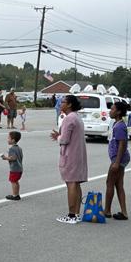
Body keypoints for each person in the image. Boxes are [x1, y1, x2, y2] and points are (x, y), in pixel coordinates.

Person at [51, 95, 88, 224]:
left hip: (70, 155)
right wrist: (60, 135)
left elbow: (65, 140)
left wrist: (59, 137)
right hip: (77, 154)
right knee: (76, 183)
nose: (61, 104)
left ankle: (71, 215)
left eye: (63, 102)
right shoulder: (76, 117)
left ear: (70, 105)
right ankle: (76, 213)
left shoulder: (69, 118)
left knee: (71, 183)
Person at [104, 100, 130, 220]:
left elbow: (122, 145)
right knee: (119, 184)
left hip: (118, 159)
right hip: (120, 159)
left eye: (113, 109)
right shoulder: (118, 124)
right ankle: (124, 212)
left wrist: (117, 163)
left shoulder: (119, 126)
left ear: (119, 112)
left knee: (110, 183)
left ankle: (107, 211)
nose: (111, 111)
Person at [2, 131, 23, 201]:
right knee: (16, 181)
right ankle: (17, 194)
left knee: (13, 181)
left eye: (8, 138)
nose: (7, 139)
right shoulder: (19, 148)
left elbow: (13, 158)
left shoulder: (12, 149)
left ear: (13, 140)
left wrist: (5, 158)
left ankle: (15, 195)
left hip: (14, 169)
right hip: (19, 168)